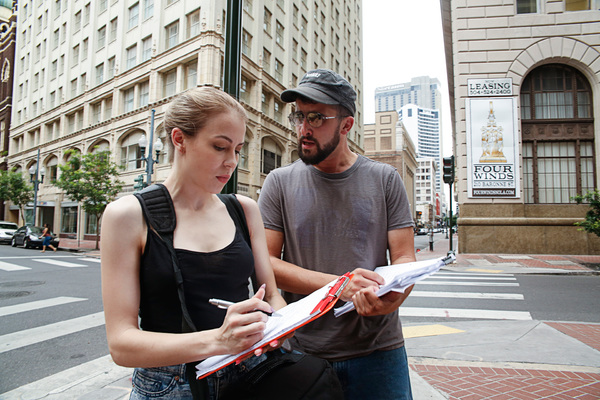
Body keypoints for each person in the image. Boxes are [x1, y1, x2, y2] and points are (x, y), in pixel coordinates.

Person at [101, 87, 288, 399]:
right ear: (179, 140)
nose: (232, 162)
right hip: (170, 385)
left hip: (249, 373)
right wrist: (219, 340)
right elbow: (121, 344)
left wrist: (277, 326)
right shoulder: (128, 215)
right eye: (219, 147)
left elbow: (272, 295)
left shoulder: (244, 209)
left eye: (238, 150)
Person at [257, 69, 416, 400]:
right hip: (301, 353)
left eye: (316, 117)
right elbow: (265, 265)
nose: (303, 129)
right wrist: (337, 286)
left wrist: (390, 301)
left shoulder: (385, 179)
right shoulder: (278, 183)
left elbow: (404, 259)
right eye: (299, 116)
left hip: (379, 353)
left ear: (346, 125)